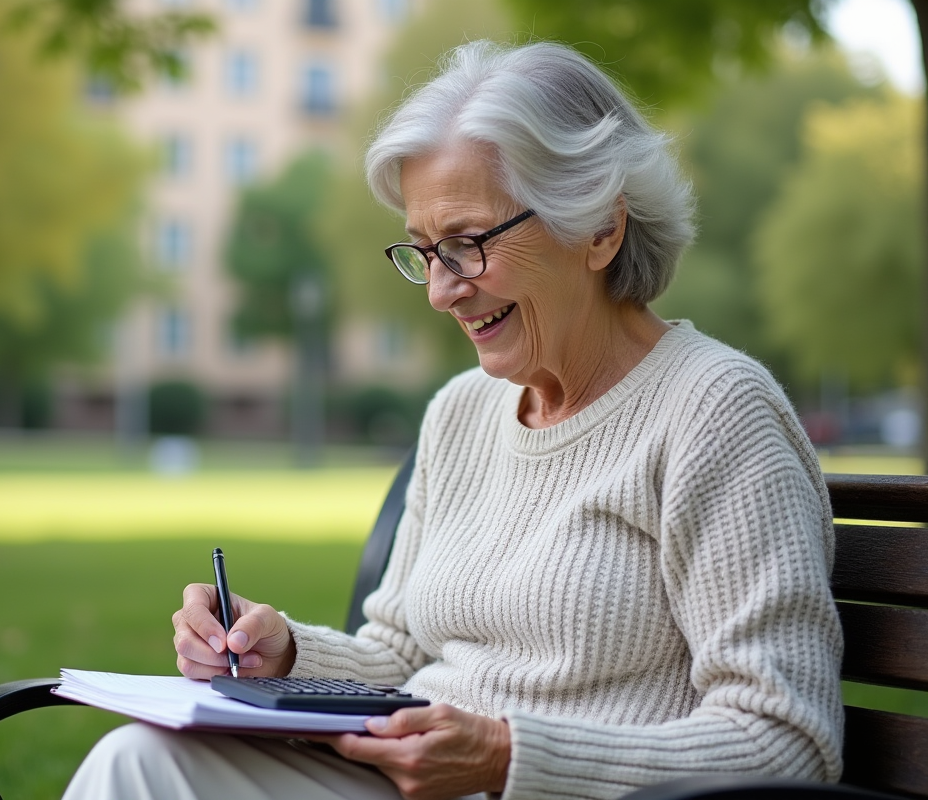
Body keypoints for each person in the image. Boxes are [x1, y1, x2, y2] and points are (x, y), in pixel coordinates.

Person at [61, 40, 843, 800]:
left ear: (602, 227)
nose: (441, 291)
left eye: (468, 245)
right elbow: (400, 653)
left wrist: (507, 758)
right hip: (408, 785)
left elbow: (785, 741)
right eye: (425, 251)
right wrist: (285, 653)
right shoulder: (463, 412)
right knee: (137, 761)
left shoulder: (715, 413)